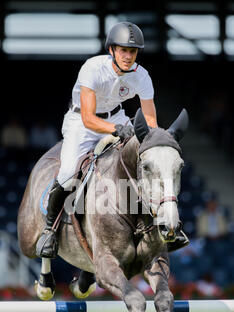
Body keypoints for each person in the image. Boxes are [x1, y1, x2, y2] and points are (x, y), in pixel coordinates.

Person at [36, 21, 189, 259]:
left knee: (151, 162)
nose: (128, 56)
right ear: (111, 50)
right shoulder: (92, 68)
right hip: (82, 123)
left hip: (118, 117)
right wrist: (116, 130)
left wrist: (154, 142)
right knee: (67, 173)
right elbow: (88, 118)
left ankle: (166, 226)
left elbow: (150, 122)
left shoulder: (142, 76)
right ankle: (49, 230)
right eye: (123, 50)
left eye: (133, 51)